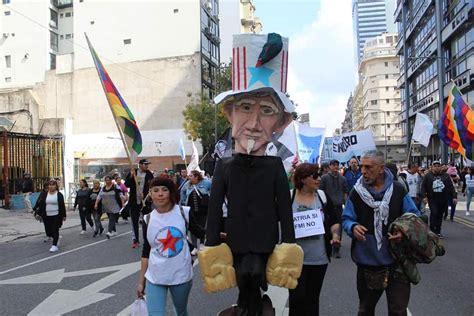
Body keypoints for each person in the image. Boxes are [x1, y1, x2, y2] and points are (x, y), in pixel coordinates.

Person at [203, 33, 302, 315]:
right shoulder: (224, 165)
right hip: (234, 240)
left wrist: (289, 245)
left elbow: (285, 208)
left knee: (254, 276)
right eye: (245, 107)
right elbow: (213, 208)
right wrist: (211, 246)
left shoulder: (273, 166)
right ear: (229, 113)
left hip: (264, 240)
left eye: (267, 111)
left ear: (281, 123)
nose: (255, 124)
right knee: (243, 281)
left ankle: (256, 307)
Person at [342, 150, 420, 316]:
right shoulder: (356, 193)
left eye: (368, 167)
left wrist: (403, 230)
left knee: (398, 311)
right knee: (366, 310)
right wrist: (353, 226)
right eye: (362, 166)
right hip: (368, 262)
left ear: (381, 168)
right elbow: (346, 218)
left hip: (397, 261)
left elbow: (414, 216)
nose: (363, 171)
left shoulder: (398, 190)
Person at [136, 177, 205, 315]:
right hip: (155, 276)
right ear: (150, 194)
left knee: (180, 312)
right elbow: (146, 251)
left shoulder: (183, 212)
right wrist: (141, 281)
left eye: (164, 190)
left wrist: (222, 234)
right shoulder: (147, 219)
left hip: (180, 274)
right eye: (155, 191)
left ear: (171, 192)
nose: (160, 194)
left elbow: (201, 233)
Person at [289, 163, 340, 316]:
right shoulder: (288, 197)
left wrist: (335, 236)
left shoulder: (322, 197)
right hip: (294, 259)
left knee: (312, 299)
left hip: (319, 258)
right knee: (296, 299)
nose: (319, 179)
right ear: (303, 179)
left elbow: (334, 221)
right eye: (315, 176)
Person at [420, 161, 456, 238]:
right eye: (435, 166)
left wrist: (454, 197)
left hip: (443, 199)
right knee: (434, 213)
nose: (437, 167)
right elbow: (423, 187)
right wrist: (424, 197)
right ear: (432, 167)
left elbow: (451, 187)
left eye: (438, 166)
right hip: (433, 199)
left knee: (440, 215)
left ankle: (438, 231)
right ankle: (432, 230)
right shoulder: (428, 176)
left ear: (440, 167)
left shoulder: (446, 176)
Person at [320, 159, 348, 258]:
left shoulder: (343, 179)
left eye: (337, 165)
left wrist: (346, 205)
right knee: (327, 227)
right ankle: (328, 247)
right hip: (327, 207)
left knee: (338, 228)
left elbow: (345, 192)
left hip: (339, 206)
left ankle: (336, 249)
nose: (335, 167)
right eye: (333, 165)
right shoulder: (324, 178)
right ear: (330, 166)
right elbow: (321, 192)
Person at [180, 170, 212, 252]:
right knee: (192, 228)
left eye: (191, 176)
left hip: (203, 209)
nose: (189, 177)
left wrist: (209, 197)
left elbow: (213, 189)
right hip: (191, 210)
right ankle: (194, 246)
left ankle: (201, 243)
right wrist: (183, 201)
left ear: (196, 177)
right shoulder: (187, 184)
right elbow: (182, 192)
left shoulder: (206, 182)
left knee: (202, 226)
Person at [125, 159, 154, 248]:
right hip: (134, 201)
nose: (147, 166)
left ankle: (147, 239)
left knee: (146, 221)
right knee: (134, 221)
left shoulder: (149, 174)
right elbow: (127, 184)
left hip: (145, 201)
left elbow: (152, 185)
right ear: (140, 165)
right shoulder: (133, 172)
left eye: (148, 164)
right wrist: (131, 177)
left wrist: (149, 194)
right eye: (145, 164)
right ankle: (135, 240)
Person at [33, 179, 67, 253]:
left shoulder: (59, 194)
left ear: (56, 186)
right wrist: (37, 212)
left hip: (56, 215)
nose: (51, 186)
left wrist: (64, 215)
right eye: (50, 185)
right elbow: (41, 203)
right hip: (47, 215)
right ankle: (56, 238)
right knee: (49, 230)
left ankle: (54, 245)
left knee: (55, 229)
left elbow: (62, 205)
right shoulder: (45, 194)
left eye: (53, 185)